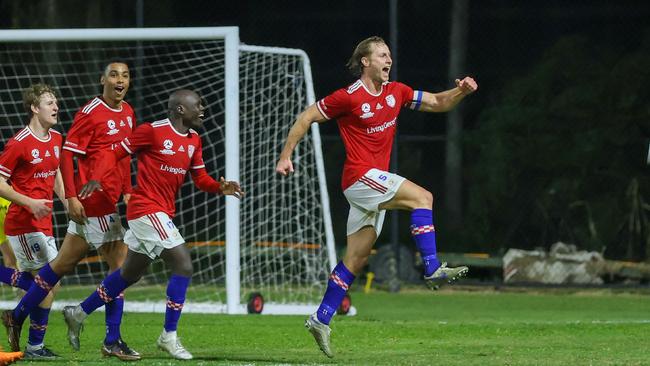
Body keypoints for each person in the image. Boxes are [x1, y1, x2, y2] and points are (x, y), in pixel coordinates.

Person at [275, 36, 478, 358]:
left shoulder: (396, 92)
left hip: (370, 184)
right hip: (360, 178)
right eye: (382, 55)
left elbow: (439, 103)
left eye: (390, 56)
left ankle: (320, 318)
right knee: (423, 198)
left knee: (356, 258)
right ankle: (432, 267)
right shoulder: (349, 97)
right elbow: (306, 117)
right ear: (365, 61)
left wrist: (461, 92)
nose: (389, 61)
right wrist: (287, 156)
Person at [61, 89, 244, 360]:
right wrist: (97, 176)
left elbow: (200, 177)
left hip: (161, 213)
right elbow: (115, 153)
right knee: (183, 264)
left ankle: (78, 312)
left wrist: (219, 186)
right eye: (198, 105)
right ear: (181, 109)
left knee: (128, 275)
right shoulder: (152, 131)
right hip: (146, 209)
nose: (203, 109)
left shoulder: (194, 139)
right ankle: (168, 336)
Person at [1, 62, 140, 361]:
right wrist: (71, 197)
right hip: (86, 204)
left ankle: (18, 317)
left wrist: (127, 189)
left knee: (57, 272)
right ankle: (106, 335)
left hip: (89, 205)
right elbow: (70, 158)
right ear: (102, 79)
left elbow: (123, 157)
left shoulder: (127, 113)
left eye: (125, 75)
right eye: (114, 74)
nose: (120, 80)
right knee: (121, 268)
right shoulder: (87, 114)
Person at [0, 83, 67, 358]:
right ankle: (24, 331)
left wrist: (67, 200)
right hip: (23, 222)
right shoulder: (19, 143)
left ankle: (25, 332)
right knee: (49, 283)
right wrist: (29, 203)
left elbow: (57, 171)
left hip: (44, 222)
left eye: (55, 102)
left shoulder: (56, 139)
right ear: (34, 108)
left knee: (41, 283)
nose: (56, 107)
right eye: (49, 102)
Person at [0, 197, 35, 293]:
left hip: (6, 206)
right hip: (7, 204)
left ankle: (23, 292)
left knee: (11, 260)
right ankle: (30, 290)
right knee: (18, 259)